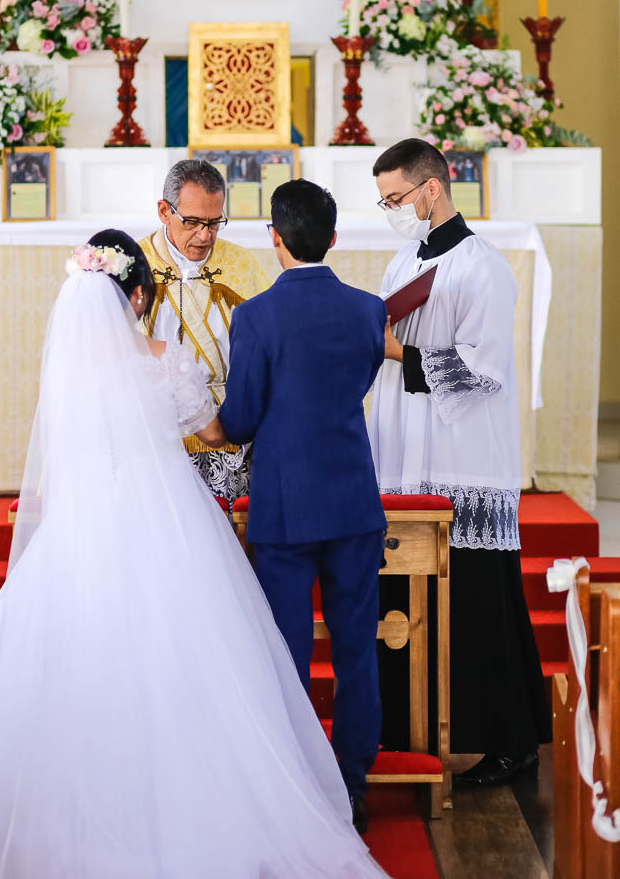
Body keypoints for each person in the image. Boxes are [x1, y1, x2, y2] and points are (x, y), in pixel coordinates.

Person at [0, 229, 388, 878]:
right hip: (169, 519)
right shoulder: (164, 359)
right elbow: (216, 431)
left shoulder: (65, 373)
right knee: (199, 653)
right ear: (139, 295)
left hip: (81, 528)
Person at [367, 138, 551, 786]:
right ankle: (407, 730)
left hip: (462, 457)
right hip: (406, 456)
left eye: (396, 198)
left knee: (477, 602)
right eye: (384, 201)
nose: (392, 210)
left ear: (431, 189)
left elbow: (482, 370)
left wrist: (392, 349)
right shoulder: (403, 262)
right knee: (404, 603)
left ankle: (509, 742)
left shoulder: (483, 267)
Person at [219, 180, 387, 834]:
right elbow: (357, 383)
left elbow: (240, 421)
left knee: (286, 652)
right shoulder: (369, 311)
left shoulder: (255, 317)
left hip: (285, 504)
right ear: (334, 237)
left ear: (275, 238)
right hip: (352, 499)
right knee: (356, 649)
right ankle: (353, 782)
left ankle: (294, 781)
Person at [139, 159, 269, 502]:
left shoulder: (241, 264)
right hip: (157, 427)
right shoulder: (136, 265)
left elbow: (267, 345)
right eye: (193, 222)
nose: (205, 235)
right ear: (164, 211)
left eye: (214, 223)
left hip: (229, 424)